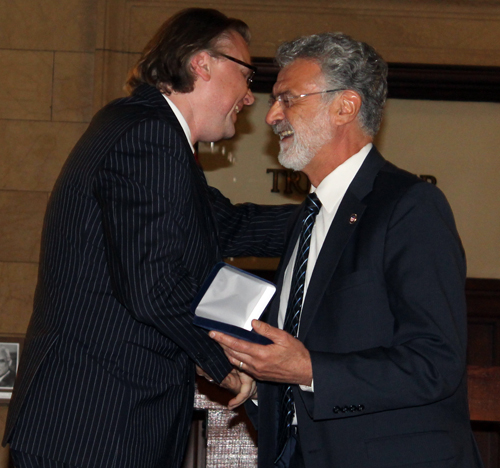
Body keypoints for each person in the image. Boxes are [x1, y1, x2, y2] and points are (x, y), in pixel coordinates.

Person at [2, 8, 294, 468]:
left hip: (100, 426)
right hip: (95, 427)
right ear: (202, 63)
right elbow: (151, 285)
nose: (249, 95)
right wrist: (223, 363)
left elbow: (231, 226)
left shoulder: (147, 132)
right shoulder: (150, 134)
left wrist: (334, 214)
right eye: (246, 73)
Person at [210, 33, 484, 468]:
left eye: (287, 99)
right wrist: (260, 378)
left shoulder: (409, 205)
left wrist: (308, 369)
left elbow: (436, 362)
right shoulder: (309, 216)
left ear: (345, 107)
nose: (271, 116)